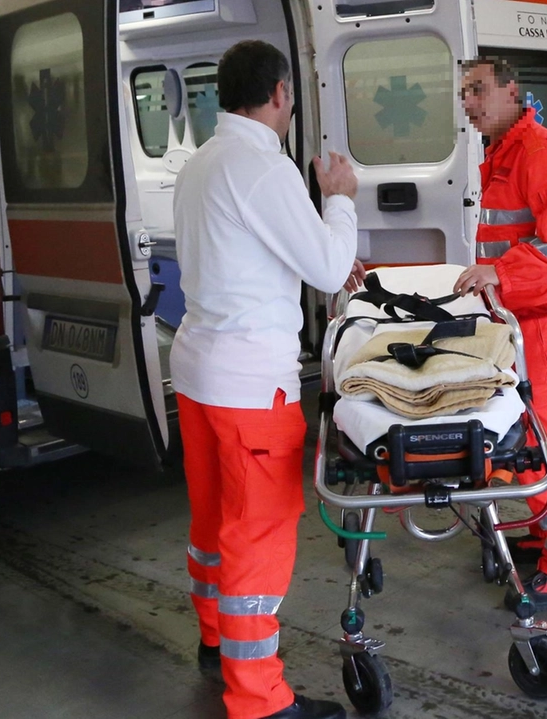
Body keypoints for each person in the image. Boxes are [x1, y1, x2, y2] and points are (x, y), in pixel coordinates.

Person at [171, 40, 364, 719]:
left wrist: (325, 246)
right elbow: (321, 265)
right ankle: (257, 699)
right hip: (252, 386)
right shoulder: (265, 168)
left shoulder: (200, 165)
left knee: (214, 519)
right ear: (281, 94)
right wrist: (339, 201)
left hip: (198, 373)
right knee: (259, 534)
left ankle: (216, 640)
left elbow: (259, 251)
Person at [453, 57, 547, 612]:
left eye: (480, 90)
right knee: (530, 437)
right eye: (464, 92)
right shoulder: (504, 154)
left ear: (513, 91)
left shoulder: (539, 154)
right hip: (519, 322)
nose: (470, 102)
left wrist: (501, 273)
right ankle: (541, 533)